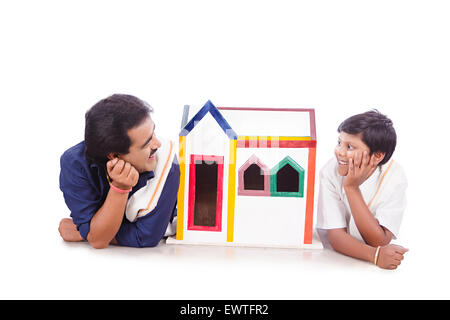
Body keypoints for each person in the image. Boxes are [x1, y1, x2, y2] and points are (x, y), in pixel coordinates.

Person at [58, 94, 180, 248]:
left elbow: (144, 237)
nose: (158, 144)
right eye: (147, 143)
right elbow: (98, 240)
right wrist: (120, 188)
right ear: (114, 155)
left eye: (153, 132)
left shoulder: (169, 165)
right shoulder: (74, 163)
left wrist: (84, 232)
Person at [316, 110, 408, 269]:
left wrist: (352, 189)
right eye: (339, 143)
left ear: (378, 156)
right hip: (330, 259)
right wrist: (375, 255)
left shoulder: (395, 177)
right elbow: (336, 237)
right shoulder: (329, 171)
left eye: (350, 146)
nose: (339, 152)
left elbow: (379, 240)